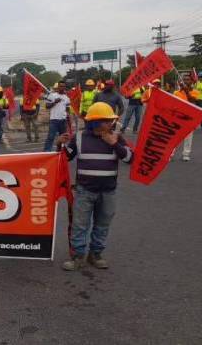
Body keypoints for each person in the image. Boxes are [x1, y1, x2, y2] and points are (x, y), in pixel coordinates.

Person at [57, 102, 134, 271]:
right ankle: (78, 257)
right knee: (80, 225)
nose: (110, 123)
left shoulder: (116, 137)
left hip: (108, 191)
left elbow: (130, 158)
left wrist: (115, 144)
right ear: (94, 122)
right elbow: (67, 157)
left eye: (110, 120)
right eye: (106, 121)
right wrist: (60, 144)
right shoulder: (79, 137)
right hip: (84, 191)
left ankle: (95, 254)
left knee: (102, 224)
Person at [174, 75, 202, 162]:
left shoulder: (196, 92)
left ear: (191, 82)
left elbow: (192, 100)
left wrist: (186, 91)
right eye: (184, 80)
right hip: (178, 117)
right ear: (180, 82)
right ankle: (170, 153)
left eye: (188, 80)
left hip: (189, 118)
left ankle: (186, 154)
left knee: (188, 137)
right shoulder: (176, 93)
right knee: (174, 137)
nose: (186, 81)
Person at [43, 81, 71, 151]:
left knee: (63, 138)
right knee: (50, 137)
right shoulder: (52, 95)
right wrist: (55, 102)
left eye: (63, 86)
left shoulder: (66, 97)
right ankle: (47, 152)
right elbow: (47, 106)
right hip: (54, 120)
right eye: (61, 86)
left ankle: (61, 151)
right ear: (58, 87)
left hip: (63, 120)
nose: (62, 88)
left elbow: (67, 109)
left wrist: (68, 118)